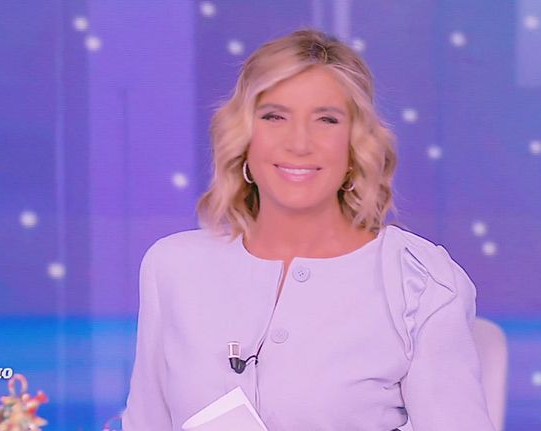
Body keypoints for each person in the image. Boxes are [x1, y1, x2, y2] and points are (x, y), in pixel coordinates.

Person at [121, 29, 495, 431]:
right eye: (274, 117)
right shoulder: (173, 267)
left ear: (354, 146)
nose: (299, 143)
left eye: (326, 120)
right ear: (244, 137)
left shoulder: (420, 283)